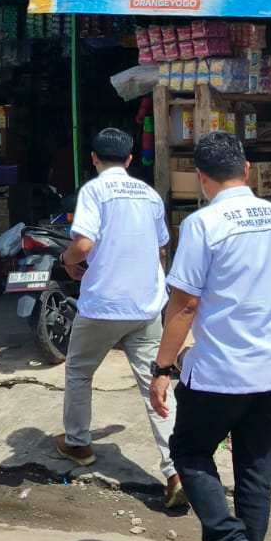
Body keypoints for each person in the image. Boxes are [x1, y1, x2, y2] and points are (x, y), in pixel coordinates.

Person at [149, 131, 271, 541]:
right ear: (249, 170)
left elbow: (186, 303)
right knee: (256, 471)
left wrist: (162, 367)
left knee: (190, 453)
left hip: (220, 371)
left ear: (200, 177)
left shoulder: (202, 224)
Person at [54, 127, 184, 509]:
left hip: (103, 306)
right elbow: (161, 248)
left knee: (79, 372)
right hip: (145, 306)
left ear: (93, 158)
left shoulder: (94, 191)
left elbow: (82, 244)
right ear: (130, 160)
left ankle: (78, 444)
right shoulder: (149, 194)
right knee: (157, 384)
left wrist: (67, 262)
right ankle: (177, 469)